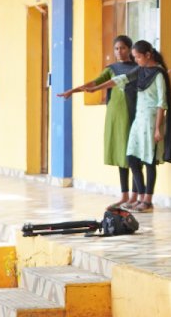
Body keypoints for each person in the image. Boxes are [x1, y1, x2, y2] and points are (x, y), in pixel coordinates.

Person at [87, 40, 171, 213]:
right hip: (139, 119)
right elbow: (120, 79)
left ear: (148, 55)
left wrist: (158, 128)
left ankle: (147, 201)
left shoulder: (158, 74)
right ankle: (140, 196)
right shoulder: (141, 70)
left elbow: (161, 103)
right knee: (132, 158)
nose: (135, 60)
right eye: (134, 57)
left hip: (151, 120)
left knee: (149, 160)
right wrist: (96, 88)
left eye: (138, 57)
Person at [58, 34, 141, 208]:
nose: (119, 51)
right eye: (116, 48)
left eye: (123, 48)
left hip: (132, 112)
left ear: (130, 49)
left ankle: (136, 196)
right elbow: (94, 83)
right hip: (114, 114)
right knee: (120, 153)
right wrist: (72, 91)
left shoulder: (137, 67)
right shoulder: (111, 68)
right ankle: (124, 196)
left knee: (132, 154)